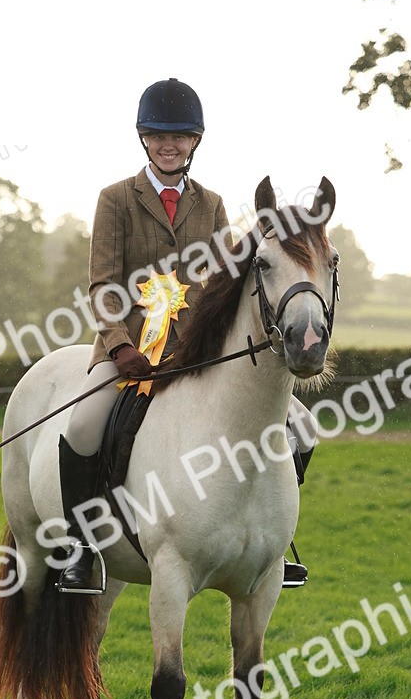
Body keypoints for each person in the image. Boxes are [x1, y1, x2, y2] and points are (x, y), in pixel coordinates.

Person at [57, 77, 316, 593]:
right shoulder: (115, 200)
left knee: (303, 428)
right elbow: (104, 284)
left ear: (195, 141)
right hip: (129, 351)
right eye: (157, 135)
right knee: (84, 426)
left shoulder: (213, 204)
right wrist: (120, 345)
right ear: (143, 139)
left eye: (179, 136)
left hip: (196, 352)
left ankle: (273, 542)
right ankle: (80, 547)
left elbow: (223, 284)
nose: (167, 145)